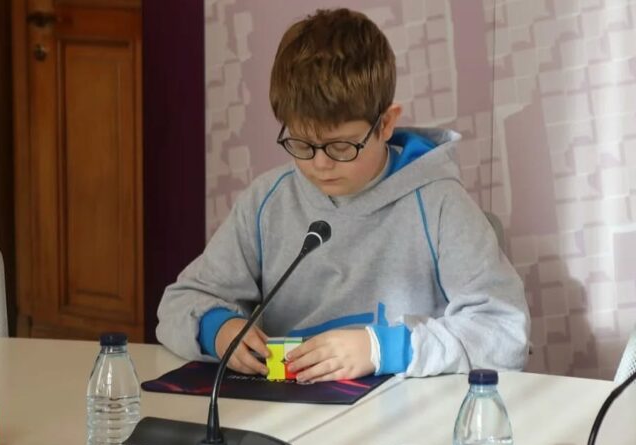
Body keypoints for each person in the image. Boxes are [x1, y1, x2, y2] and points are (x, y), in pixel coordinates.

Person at [156, 8, 529, 383]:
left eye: (340, 146)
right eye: (301, 143)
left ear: (385, 124)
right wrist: (218, 330)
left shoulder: (439, 204)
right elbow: (179, 303)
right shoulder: (267, 201)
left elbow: (504, 332)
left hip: (404, 422)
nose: (320, 164)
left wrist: (384, 349)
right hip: (288, 415)